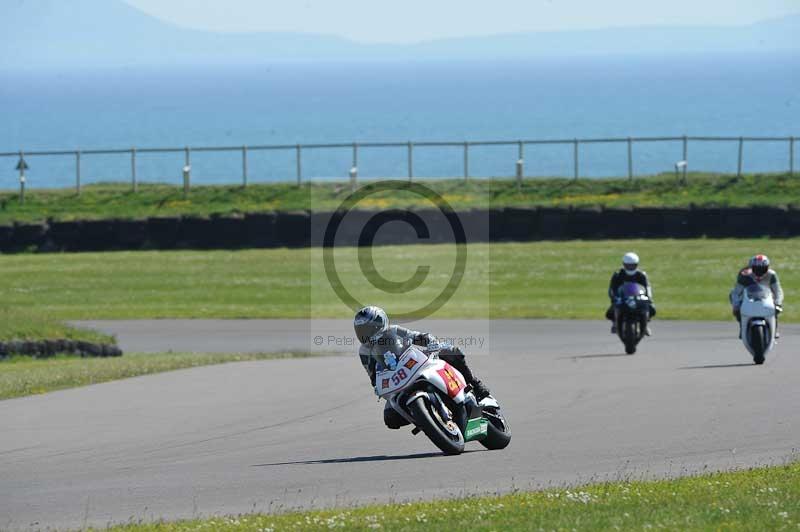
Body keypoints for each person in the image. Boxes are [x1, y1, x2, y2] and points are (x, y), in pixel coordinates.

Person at [354, 305, 491, 430]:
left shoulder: (394, 330)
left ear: (380, 324)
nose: (365, 335)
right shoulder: (364, 351)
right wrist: (378, 386)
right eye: (361, 331)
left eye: (368, 330)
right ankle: (427, 419)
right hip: (397, 379)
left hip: (415, 362)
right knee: (390, 418)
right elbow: (373, 376)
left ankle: (475, 383)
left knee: (451, 351)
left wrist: (431, 342)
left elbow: (418, 337)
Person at [730, 254, 784, 338]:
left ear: (767, 267)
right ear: (751, 267)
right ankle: (742, 327)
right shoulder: (744, 275)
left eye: (763, 268)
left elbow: (778, 290)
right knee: (737, 310)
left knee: (775, 309)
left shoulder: (772, 275)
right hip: (748, 297)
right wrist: (736, 305)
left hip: (766, 296)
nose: (760, 271)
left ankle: (774, 330)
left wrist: (778, 303)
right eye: (757, 269)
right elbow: (736, 292)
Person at [605, 252, 655, 335]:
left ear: (637, 265)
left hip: (638, 298)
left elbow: (647, 287)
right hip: (621, 298)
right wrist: (614, 297)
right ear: (624, 264)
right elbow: (612, 289)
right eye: (628, 265)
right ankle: (615, 324)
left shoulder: (641, 275)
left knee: (651, 308)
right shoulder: (618, 275)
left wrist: (649, 297)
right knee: (611, 310)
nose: (630, 267)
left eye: (633, 265)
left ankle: (645, 325)